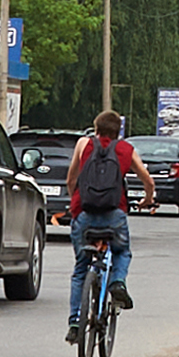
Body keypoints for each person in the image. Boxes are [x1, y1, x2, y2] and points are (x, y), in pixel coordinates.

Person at [66, 113, 146, 329]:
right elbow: (147, 179)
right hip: (114, 213)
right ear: (118, 130)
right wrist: (148, 198)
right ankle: (118, 282)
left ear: (96, 128)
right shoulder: (125, 149)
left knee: (81, 267)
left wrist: (75, 201)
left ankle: (75, 322)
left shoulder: (83, 144)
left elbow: (71, 178)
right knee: (121, 252)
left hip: (84, 213)